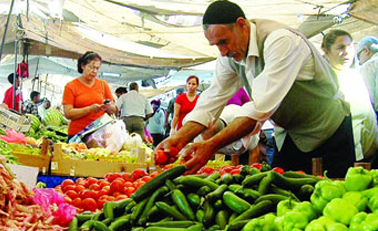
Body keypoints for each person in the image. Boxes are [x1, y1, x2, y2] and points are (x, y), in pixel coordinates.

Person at [157, 0, 354, 178]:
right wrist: (179, 138)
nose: (222, 51)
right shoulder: (229, 56)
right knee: (283, 198)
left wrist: (211, 145)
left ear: (242, 25)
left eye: (224, 41)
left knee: (333, 197)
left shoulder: (280, 41)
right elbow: (211, 100)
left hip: (329, 132)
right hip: (289, 136)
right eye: (216, 44)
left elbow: (258, 109)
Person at [321, 30, 378, 164]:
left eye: (350, 47)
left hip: (364, 154)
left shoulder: (355, 76)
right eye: (340, 47)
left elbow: (368, 116)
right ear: (327, 51)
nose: (347, 52)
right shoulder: (323, 80)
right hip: (337, 156)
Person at [62, 51, 117, 139]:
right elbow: (68, 113)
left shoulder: (103, 85)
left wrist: (110, 107)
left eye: (97, 68)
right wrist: (89, 109)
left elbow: (113, 108)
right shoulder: (71, 86)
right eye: (91, 67)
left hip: (99, 134)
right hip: (77, 135)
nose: (94, 71)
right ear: (83, 66)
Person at [357, 36, 378, 112]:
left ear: (366, 50)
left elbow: (369, 99)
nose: (359, 62)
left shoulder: (369, 66)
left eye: (358, 56)